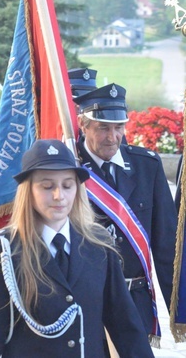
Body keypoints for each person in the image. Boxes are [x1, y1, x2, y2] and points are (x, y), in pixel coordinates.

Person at [0, 139, 154, 357]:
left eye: (68, 185)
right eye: (47, 186)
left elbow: (125, 324)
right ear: (28, 191)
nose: (59, 196)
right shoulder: (7, 248)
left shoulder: (98, 243)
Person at [74, 83, 176, 337]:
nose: (113, 137)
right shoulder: (67, 169)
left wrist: (180, 309)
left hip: (134, 298)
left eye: (119, 127)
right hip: (85, 300)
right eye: (103, 128)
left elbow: (167, 244)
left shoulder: (146, 166)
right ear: (82, 124)